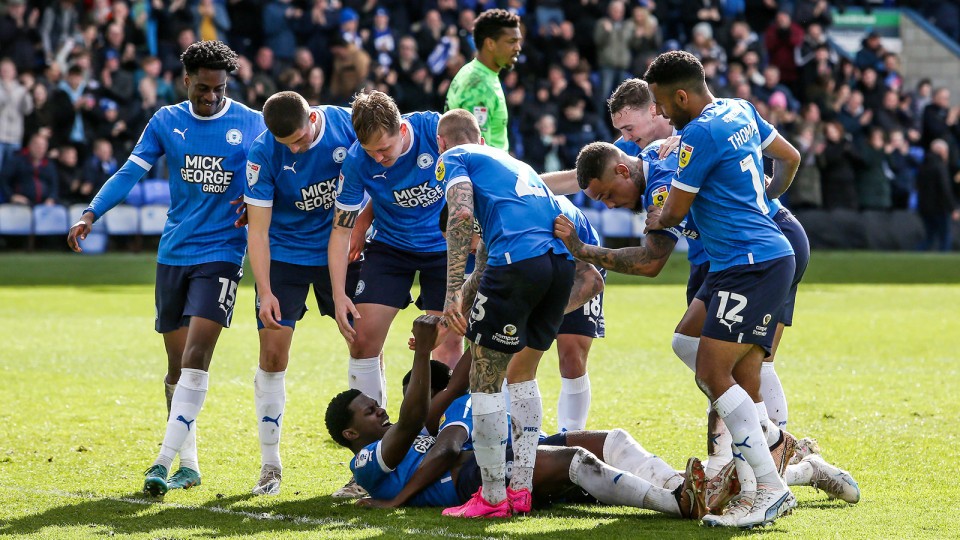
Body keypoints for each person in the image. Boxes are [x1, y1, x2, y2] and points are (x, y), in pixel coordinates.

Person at [67, 40, 265, 497]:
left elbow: (275, 168)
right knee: (176, 368)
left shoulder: (251, 124)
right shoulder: (166, 121)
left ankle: (161, 460)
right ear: (185, 81)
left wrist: (256, 199)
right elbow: (129, 173)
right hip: (174, 253)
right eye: (202, 88)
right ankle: (189, 463)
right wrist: (91, 213)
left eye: (218, 89)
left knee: (197, 357)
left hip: (222, 254)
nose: (211, 97)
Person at [325, 315, 708, 520]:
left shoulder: (421, 425)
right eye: (370, 411)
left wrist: (476, 319)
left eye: (377, 404)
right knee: (576, 460)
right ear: (350, 431)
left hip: (502, 454)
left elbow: (455, 386)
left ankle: (685, 484)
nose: (381, 410)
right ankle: (677, 502)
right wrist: (422, 352)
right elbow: (441, 446)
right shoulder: (366, 463)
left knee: (611, 440)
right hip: (474, 478)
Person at [643, 50, 801, 527]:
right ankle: (763, 459)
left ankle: (771, 488)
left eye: (662, 103)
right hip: (757, 255)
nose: (661, 114)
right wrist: (765, 198)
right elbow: (790, 158)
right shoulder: (740, 108)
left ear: (683, 95)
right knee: (697, 345)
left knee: (714, 373)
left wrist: (656, 215)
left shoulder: (698, 134)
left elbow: (672, 213)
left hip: (748, 263)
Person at [437, 109, 578, 518]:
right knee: (524, 376)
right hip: (559, 263)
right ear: (481, 137)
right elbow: (486, 250)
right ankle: (521, 489)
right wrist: (465, 292)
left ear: (443, 144)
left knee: (485, 379)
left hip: (519, 263)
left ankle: (493, 496)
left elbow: (461, 215)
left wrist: (448, 294)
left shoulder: (454, 157)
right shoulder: (509, 161)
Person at [243, 91, 360, 496]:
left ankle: (368, 467)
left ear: (313, 117)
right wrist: (265, 289)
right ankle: (270, 466)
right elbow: (256, 230)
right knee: (272, 354)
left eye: (300, 140)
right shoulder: (263, 152)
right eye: (286, 144)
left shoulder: (348, 124)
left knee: (364, 343)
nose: (294, 149)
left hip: (343, 248)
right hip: (286, 256)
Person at [328, 89, 458, 415]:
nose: (378, 159)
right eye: (371, 152)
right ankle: (372, 435)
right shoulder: (358, 161)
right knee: (361, 341)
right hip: (391, 246)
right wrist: (338, 295)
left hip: (445, 246)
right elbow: (341, 229)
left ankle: (444, 430)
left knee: (448, 341)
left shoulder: (437, 131)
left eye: (384, 149)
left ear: (402, 130)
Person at [444, 8, 521, 151]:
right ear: (490, 44)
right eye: (511, 41)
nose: (518, 48)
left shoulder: (476, 72)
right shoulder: (479, 86)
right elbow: (478, 152)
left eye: (518, 41)